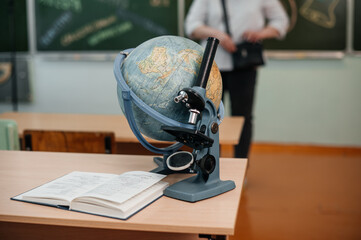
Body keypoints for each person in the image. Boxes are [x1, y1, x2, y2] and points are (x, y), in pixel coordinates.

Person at [185, 0, 289, 159]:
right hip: (212, 67)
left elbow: (281, 21)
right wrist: (218, 35)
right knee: (209, 116)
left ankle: (241, 163)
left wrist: (260, 34)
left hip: (245, 65)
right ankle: (210, 163)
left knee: (243, 118)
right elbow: (191, 25)